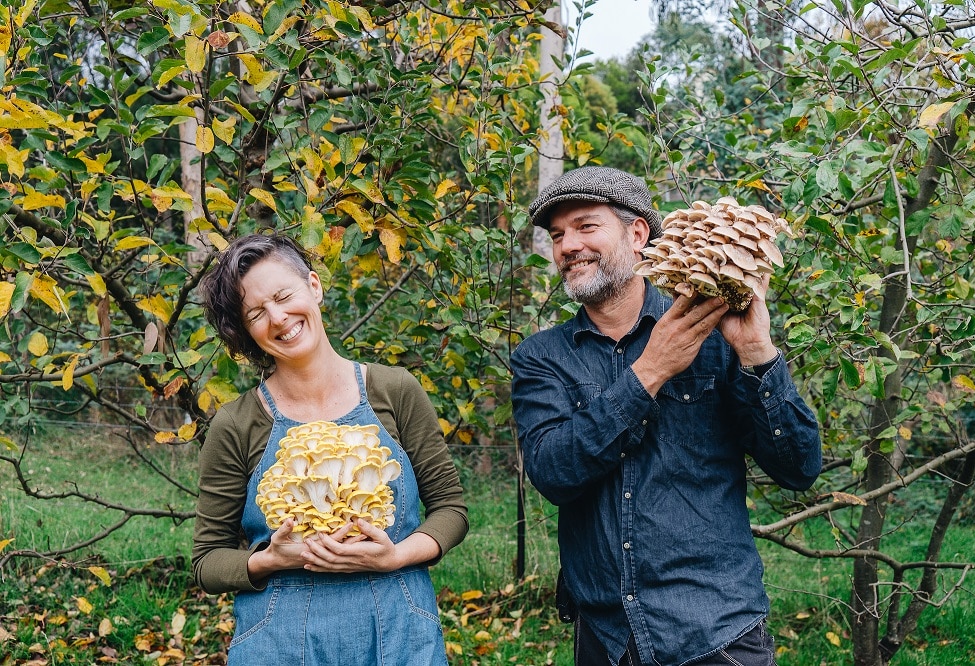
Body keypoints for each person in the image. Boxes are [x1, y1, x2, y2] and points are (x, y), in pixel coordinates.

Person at [511, 166, 822, 666]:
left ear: (638, 235)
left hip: (716, 632)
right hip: (607, 639)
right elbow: (553, 473)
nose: (568, 246)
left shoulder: (717, 334)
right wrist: (650, 372)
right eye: (557, 235)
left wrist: (758, 352)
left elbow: (799, 468)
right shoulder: (541, 357)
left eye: (586, 226)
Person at [192, 233, 468, 665]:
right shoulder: (236, 423)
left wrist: (395, 556)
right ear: (248, 331)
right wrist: (268, 560)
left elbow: (451, 510)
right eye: (256, 313)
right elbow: (207, 561)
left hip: (397, 628)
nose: (279, 318)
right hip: (280, 638)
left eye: (284, 296)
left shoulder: (395, 390)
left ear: (314, 287)